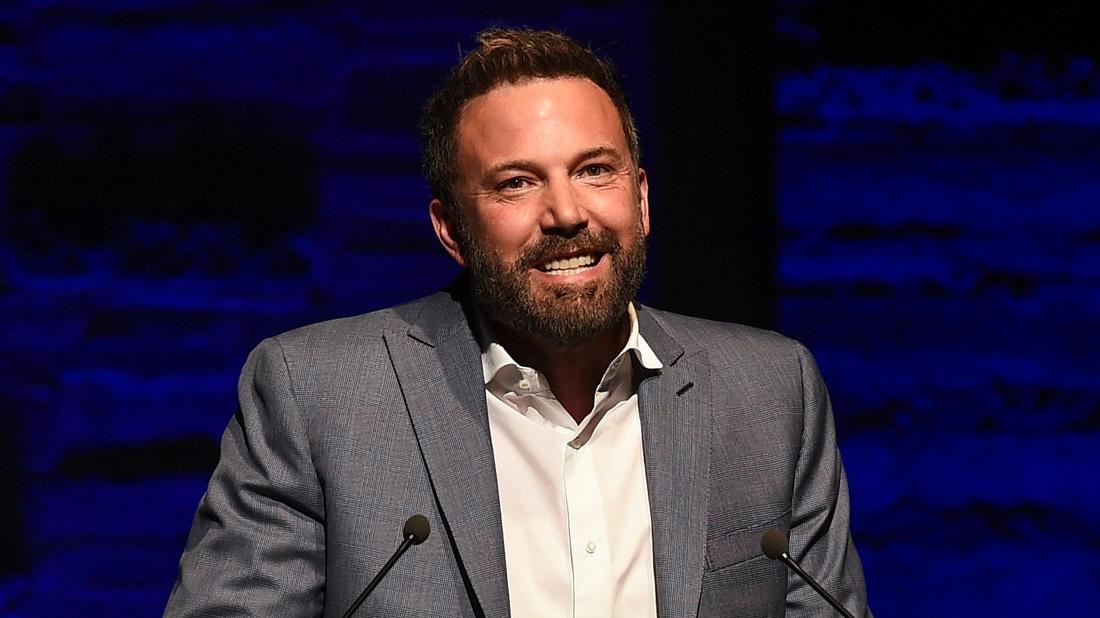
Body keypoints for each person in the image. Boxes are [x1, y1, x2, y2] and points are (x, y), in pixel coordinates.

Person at [165, 28, 871, 617]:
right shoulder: (318, 394)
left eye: (596, 170)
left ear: (643, 197)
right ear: (451, 228)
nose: (566, 213)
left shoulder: (770, 390)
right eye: (517, 183)